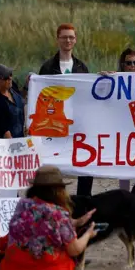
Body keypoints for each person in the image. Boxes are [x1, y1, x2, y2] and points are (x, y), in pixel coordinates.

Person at [0, 165, 98, 270]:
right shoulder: (58, 213)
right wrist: (88, 234)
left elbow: (41, 224)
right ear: (58, 190)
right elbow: (75, 249)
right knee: (67, 258)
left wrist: (76, 222)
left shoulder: (22, 205)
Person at [39, 23, 92, 197]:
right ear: (58, 40)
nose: (67, 40)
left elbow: (88, 94)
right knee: (54, 164)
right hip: (55, 122)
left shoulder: (81, 67)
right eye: (64, 37)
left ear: (75, 40)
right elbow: (40, 94)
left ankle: (83, 200)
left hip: (77, 122)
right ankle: (54, 200)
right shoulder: (47, 67)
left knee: (84, 160)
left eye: (71, 37)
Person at [99, 48, 135, 191]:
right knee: (124, 166)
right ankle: (125, 197)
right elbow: (99, 96)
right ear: (122, 64)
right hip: (122, 131)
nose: (132, 66)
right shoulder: (115, 80)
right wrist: (103, 79)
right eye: (128, 63)